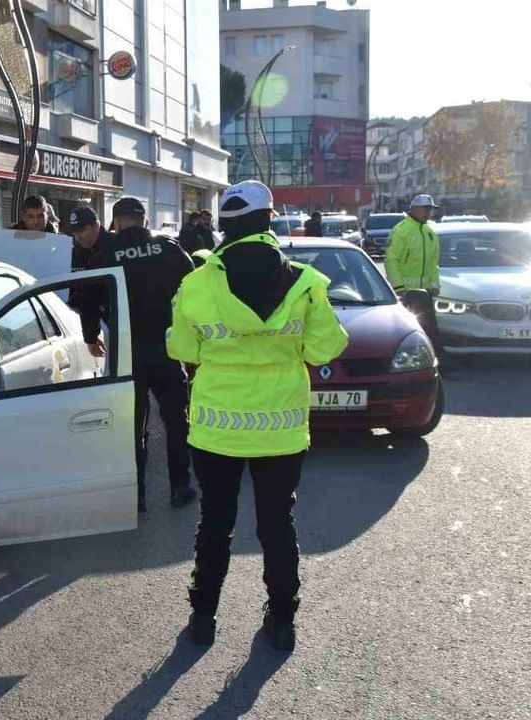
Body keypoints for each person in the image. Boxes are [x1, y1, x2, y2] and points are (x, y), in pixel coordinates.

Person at [167, 180, 349, 651]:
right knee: (276, 525)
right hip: (281, 430)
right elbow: (327, 347)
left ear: (222, 226)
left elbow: (183, 348)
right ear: (270, 220)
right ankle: (283, 623)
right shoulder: (306, 284)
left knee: (215, 522)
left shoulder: (197, 283)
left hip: (215, 429)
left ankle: (203, 617)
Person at [69, 200, 198, 513]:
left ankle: (136, 494)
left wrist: (90, 337)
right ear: (146, 220)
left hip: (128, 351)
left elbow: (85, 300)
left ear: (115, 224)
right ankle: (179, 487)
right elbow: (196, 292)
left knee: (132, 426)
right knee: (176, 422)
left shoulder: (105, 257)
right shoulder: (169, 249)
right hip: (169, 348)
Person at [386, 194, 443, 354]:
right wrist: (399, 288)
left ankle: (437, 361)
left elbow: (433, 263)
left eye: (430, 209)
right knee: (406, 333)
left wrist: (433, 285)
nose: (428, 213)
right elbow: (391, 260)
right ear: (415, 209)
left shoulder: (429, 232)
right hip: (406, 294)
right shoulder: (401, 230)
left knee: (430, 331)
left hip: (425, 294)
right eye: (425, 209)